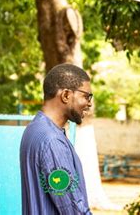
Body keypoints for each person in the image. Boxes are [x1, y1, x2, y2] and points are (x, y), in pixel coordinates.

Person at [20, 63, 93, 214]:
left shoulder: (34, 130)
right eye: (86, 96)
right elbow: (72, 208)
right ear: (66, 95)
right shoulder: (52, 141)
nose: (89, 103)